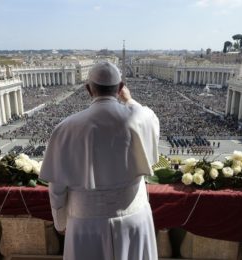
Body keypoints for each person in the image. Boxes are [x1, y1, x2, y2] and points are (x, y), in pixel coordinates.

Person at [40, 62, 160, 260]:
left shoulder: (66, 128)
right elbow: (151, 120)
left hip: (86, 222)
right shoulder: (141, 118)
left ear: (88, 89)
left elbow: (57, 186)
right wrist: (129, 101)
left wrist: (60, 222)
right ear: (121, 88)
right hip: (134, 218)